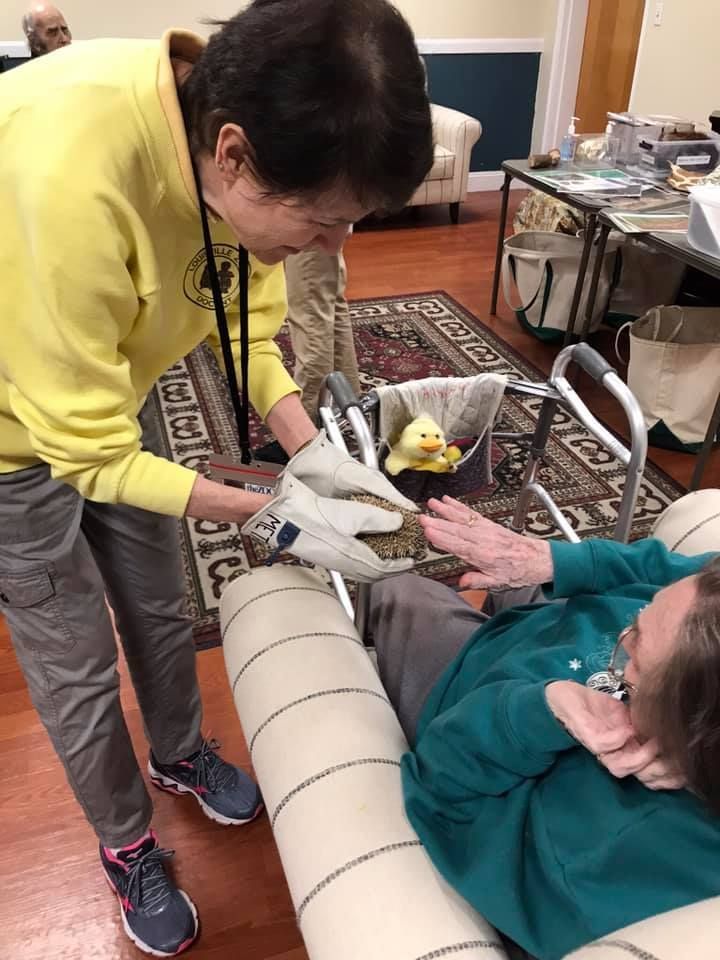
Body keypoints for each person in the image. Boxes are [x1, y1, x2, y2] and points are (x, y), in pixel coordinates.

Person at [0, 1, 432, 954]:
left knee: (157, 599)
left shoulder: (229, 147)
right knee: (72, 654)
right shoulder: (68, 177)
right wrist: (276, 508)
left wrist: (308, 448)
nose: (337, 247)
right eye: (326, 221)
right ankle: (124, 844)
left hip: (107, 372)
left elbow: (248, 331)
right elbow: (86, 453)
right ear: (231, 154)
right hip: (12, 434)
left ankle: (180, 750)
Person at [370, 496, 720, 960]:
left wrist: (539, 710)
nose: (625, 635)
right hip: (554, 627)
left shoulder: (605, 856)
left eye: (636, 652)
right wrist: (558, 561)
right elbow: (686, 572)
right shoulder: (688, 643)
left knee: (397, 586)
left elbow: (443, 790)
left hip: (470, 699)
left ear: (689, 729)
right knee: (500, 579)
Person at [285, 245, 362, 421]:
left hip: (308, 223)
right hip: (324, 222)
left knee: (310, 310)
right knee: (327, 298)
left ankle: (307, 419)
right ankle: (347, 399)